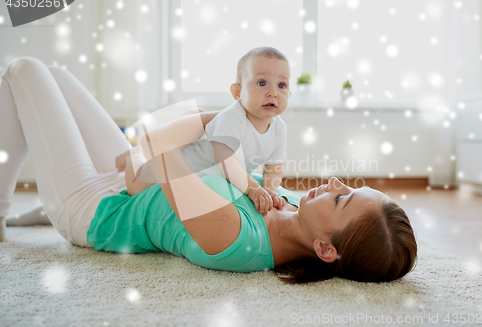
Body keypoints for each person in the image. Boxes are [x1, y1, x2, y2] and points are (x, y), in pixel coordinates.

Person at [0, 57, 418, 284]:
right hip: (132, 183)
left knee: (24, 70)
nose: (332, 182)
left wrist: (229, 115)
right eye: (347, 184)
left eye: (341, 197)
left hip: (96, 209)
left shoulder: (236, 237)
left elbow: (152, 150)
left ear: (326, 250)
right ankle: (25, 211)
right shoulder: (288, 206)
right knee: (55, 73)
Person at [180, 46, 290, 217]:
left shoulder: (279, 128)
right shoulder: (232, 117)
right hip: (184, 170)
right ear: (238, 92)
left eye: (281, 85)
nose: (272, 93)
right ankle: (134, 155)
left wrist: (269, 191)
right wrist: (253, 188)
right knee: (140, 184)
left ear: (289, 94)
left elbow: (275, 166)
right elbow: (225, 161)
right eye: (262, 83)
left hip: (217, 182)